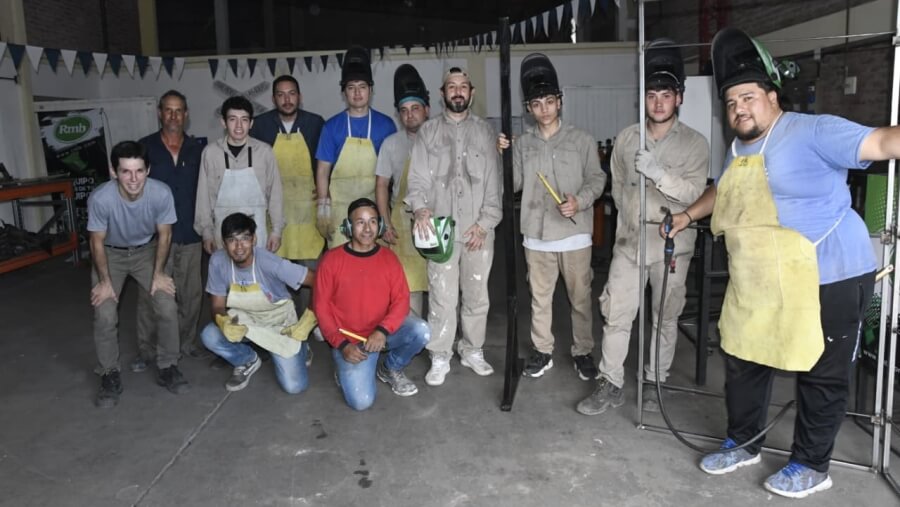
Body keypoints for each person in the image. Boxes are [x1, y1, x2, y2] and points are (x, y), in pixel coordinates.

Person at [666, 27, 895, 499]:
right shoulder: (737, 149)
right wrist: (687, 215)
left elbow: (882, 144)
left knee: (821, 370)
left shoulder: (814, 131)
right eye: (730, 103)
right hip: (764, 278)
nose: (739, 110)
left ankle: (812, 464)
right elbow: (722, 191)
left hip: (831, 273)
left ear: (772, 96)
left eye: (748, 97)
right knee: (745, 356)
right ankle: (744, 442)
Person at [576, 39, 709, 416]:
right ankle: (610, 381)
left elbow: (693, 193)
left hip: (671, 243)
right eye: (652, 95)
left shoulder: (695, 144)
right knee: (616, 313)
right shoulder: (627, 138)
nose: (659, 102)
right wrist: (632, 210)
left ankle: (654, 381)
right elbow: (617, 181)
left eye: (666, 95)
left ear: (678, 98)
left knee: (663, 317)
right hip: (630, 241)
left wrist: (658, 173)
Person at [497, 53, 607, 381]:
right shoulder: (523, 144)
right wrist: (502, 155)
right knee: (540, 299)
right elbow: (513, 183)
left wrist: (581, 200)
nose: (543, 108)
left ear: (560, 102)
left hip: (573, 233)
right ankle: (542, 350)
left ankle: (583, 350)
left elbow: (597, 179)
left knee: (580, 298)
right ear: (528, 108)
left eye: (549, 101)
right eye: (536, 103)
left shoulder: (582, 140)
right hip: (537, 233)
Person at [405, 67, 502, 386]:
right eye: (451, 86)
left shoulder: (486, 133)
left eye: (463, 86)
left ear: (471, 93)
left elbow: (495, 183)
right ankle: (440, 354)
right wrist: (420, 210)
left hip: (477, 229)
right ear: (442, 93)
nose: (457, 91)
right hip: (439, 227)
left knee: (477, 294)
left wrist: (486, 223)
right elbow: (416, 179)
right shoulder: (428, 132)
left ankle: (472, 349)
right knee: (442, 296)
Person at [87, 141, 189, 408]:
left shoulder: (161, 193)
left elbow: (165, 234)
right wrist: (106, 282)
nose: (133, 179)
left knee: (166, 304)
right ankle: (109, 373)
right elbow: (96, 242)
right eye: (125, 171)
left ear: (148, 170)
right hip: (110, 254)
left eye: (139, 171)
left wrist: (158, 274)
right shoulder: (100, 198)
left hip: (147, 251)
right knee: (105, 311)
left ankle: (167, 365)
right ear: (113, 171)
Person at [314, 198, 430, 410]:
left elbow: (401, 301)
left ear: (380, 225)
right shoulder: (331, 261)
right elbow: (322, 310)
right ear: (348, 227)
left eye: (373, 222)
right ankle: (341, 361)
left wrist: (382, 331)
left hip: (381, 334)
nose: (368, 229)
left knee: (421, 330)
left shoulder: (389, 259)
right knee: (361, 402)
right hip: (349, 341)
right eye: (360, 222)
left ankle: (389, 368)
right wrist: (340, 344)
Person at [132, 90, 209, 372]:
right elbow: (131, 189)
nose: (173, 116)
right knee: (151, 294)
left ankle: (186, 343)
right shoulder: (144, 148)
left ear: (186, 115)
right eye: (168, 110)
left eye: (179, 111)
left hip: (190, 234)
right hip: (153, 237)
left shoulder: (198, 150)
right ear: (160, 113)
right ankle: (147, 350)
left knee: (190, 294)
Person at [200, 213, 315, 394]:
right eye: (232, 240)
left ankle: (301, 346)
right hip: (246, 319)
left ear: (254, 239)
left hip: (279, 323)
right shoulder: (217, 261)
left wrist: (310, 318)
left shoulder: (270, 262)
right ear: (224, 243)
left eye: (245, 238)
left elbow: (317, 280)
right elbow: (217, 305)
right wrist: (223, 321)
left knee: (294, 386)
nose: (239, 247)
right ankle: (247, 359)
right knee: (210, 335)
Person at [315, 46, 397, 249]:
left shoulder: (386, 125)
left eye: (362, 86)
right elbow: (323, 171)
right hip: (341, 212)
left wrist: (386, 216)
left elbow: (392, 175)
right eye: (351, 87)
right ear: (344, 92)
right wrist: (323, 208)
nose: (357, 92)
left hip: (374, 210)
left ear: (371, 89)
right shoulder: (331, 127)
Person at [375, 64, 431, 317]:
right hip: (403, 223)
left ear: (427, 110)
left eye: (415, 109)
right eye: (404, 111)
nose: (410, 115)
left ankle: (440, 343)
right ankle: (414, 335)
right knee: (409, 288)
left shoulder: (440, 140)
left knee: (442, 285)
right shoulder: (391, 144)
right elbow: (381, 186)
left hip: (437, 219)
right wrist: (386, 223)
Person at [195, 95, 284, 255]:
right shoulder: (210, 153)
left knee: (257, 279)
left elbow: (275, 194)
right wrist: (206, 233)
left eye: (244, 120)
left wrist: (276, 231)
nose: (238, 126)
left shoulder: (264, 152)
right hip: (222, 237)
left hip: (257, 236)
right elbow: (203, 197)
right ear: (223, 122)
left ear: (251, 123)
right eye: (232, 119)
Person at [250, 75, 326, 263]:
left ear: (299, 97)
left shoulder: (315, 123)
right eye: (281, 95)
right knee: (277, 274)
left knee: (311, 274)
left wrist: (326, 188)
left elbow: (326, 161)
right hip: (274, 211)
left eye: (291, 94)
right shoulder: (259, 125)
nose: (287, 99)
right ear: (273, 99)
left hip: (307, 210)